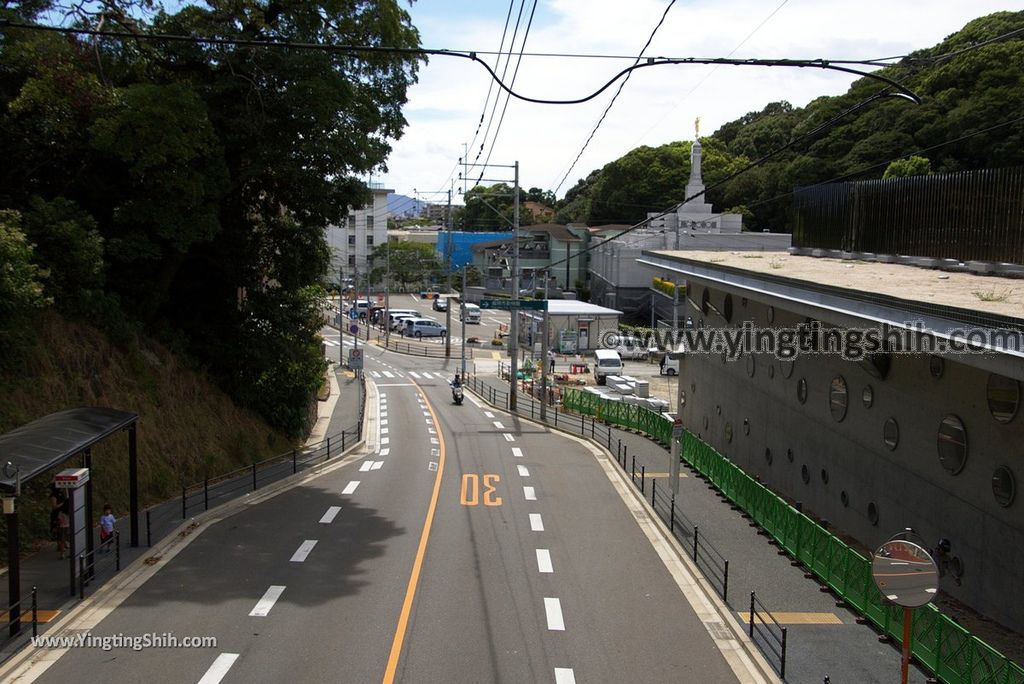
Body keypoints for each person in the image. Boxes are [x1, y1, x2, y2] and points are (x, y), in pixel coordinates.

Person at [49, 485, 68, 559]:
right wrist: (63, 504)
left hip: (64, 514)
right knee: (59, 532)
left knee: (64, 533)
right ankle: (60, 546)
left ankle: (62, 545)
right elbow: (54, 506)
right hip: (57, 515)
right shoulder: (53, 496)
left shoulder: (61, 493)